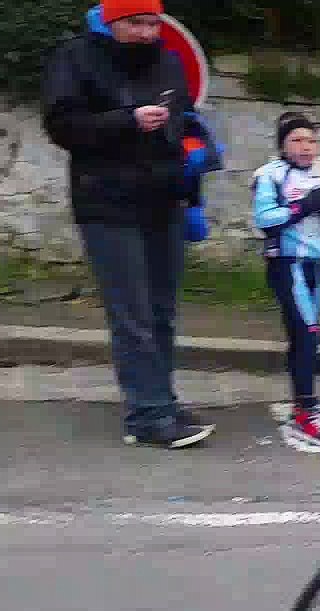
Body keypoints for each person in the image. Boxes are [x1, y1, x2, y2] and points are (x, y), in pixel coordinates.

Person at [41, 0, 217, 449]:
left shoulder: (169, 61)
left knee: (161, 311)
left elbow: (185, 122)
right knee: (133, 314)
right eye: (134, 23)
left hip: (163, 200)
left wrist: (192, 176)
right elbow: (62, 126)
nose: (145, 32)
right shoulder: (76, 57)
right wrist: (127, 120)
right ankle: (147, 416)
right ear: (111, 22)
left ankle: (160, 400)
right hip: (107, 202)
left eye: (152, 23)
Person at [252, 112, 320, 447]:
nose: (306, 146)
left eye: (311, 140)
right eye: (297, 140)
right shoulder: (270, 176)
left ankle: (305, 403)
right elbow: (265, 219)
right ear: (282, 144)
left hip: (312, 264)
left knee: (304, 337)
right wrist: (305, 206)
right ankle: (306, 410)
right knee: (307, 336)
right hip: (286, 264)